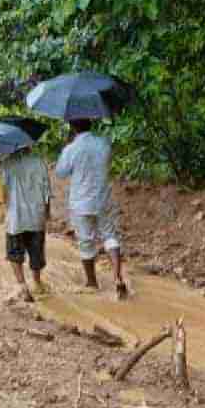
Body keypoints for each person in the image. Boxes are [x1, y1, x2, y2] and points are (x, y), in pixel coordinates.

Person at [54, 118, 127, 299]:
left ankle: (92, 282)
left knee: (86, 241)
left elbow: (60, 172)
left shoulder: (71, 149)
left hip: (81, 202)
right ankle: (117, 277)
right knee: (110, 235)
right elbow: (108, 161)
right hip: (102, 198)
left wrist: (67, 149)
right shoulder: (103, 143)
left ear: (72, 127)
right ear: (91, 124)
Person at [0, 146, 51, 303]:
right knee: (37, 252)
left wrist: (2, 212)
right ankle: (37, 282)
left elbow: (0, 194)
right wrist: (47, 213)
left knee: (14, 252)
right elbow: (47, 191)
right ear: (28, 145)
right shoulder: (39, 163)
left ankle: (22, 286)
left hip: (15, 217)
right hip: (36, 215)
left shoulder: (5, 165)